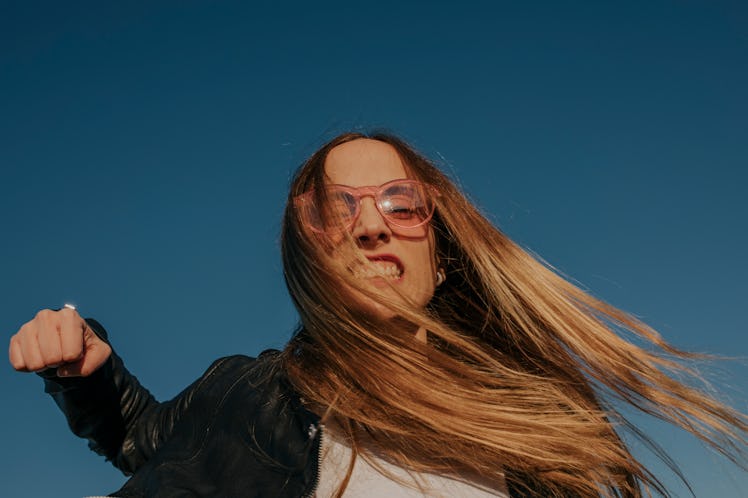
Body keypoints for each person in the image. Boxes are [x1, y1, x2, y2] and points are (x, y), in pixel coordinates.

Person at [8, 132, 747, 497]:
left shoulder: (529, 428)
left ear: (444, 247)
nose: (371, 226)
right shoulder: (251, 398)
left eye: (401, 202)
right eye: (335, 209)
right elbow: (145, 439)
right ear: (309, 252)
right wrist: (90, 376)